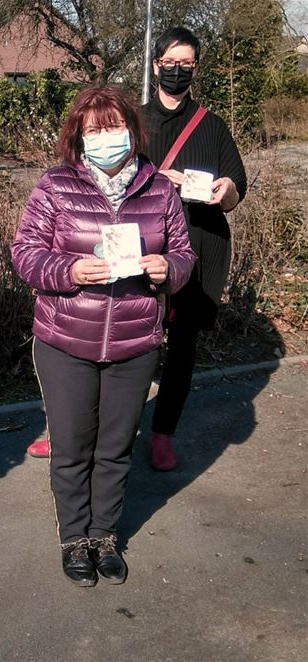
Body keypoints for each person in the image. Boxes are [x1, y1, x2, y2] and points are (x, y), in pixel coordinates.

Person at [11, 87, 196, 587]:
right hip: (65, 337)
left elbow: (184, 254)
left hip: (134, 342)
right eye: (94, 129)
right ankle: (74, 539)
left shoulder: (159, 190)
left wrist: (169, 268)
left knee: (116, 447)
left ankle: (104, 535)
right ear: (78, 137)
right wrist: (71, 269)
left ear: (132, 132)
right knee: (72, 446)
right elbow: (25, 254)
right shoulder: (54, 186)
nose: (105, 137)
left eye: (114, 127)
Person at [140, 27, 247, 472]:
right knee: (131, 340)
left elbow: (237, 187)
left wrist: (225, 191)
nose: (177, 70)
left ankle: (163, 433)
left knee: (182, 346)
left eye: (186, 63)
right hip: (143, 245)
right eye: (170, 62)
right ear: (155, 65)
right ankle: (98, 428)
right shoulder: (134, 120)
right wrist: (159, 180)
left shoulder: (212, 125)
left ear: (195, 68)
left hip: (198, 245)